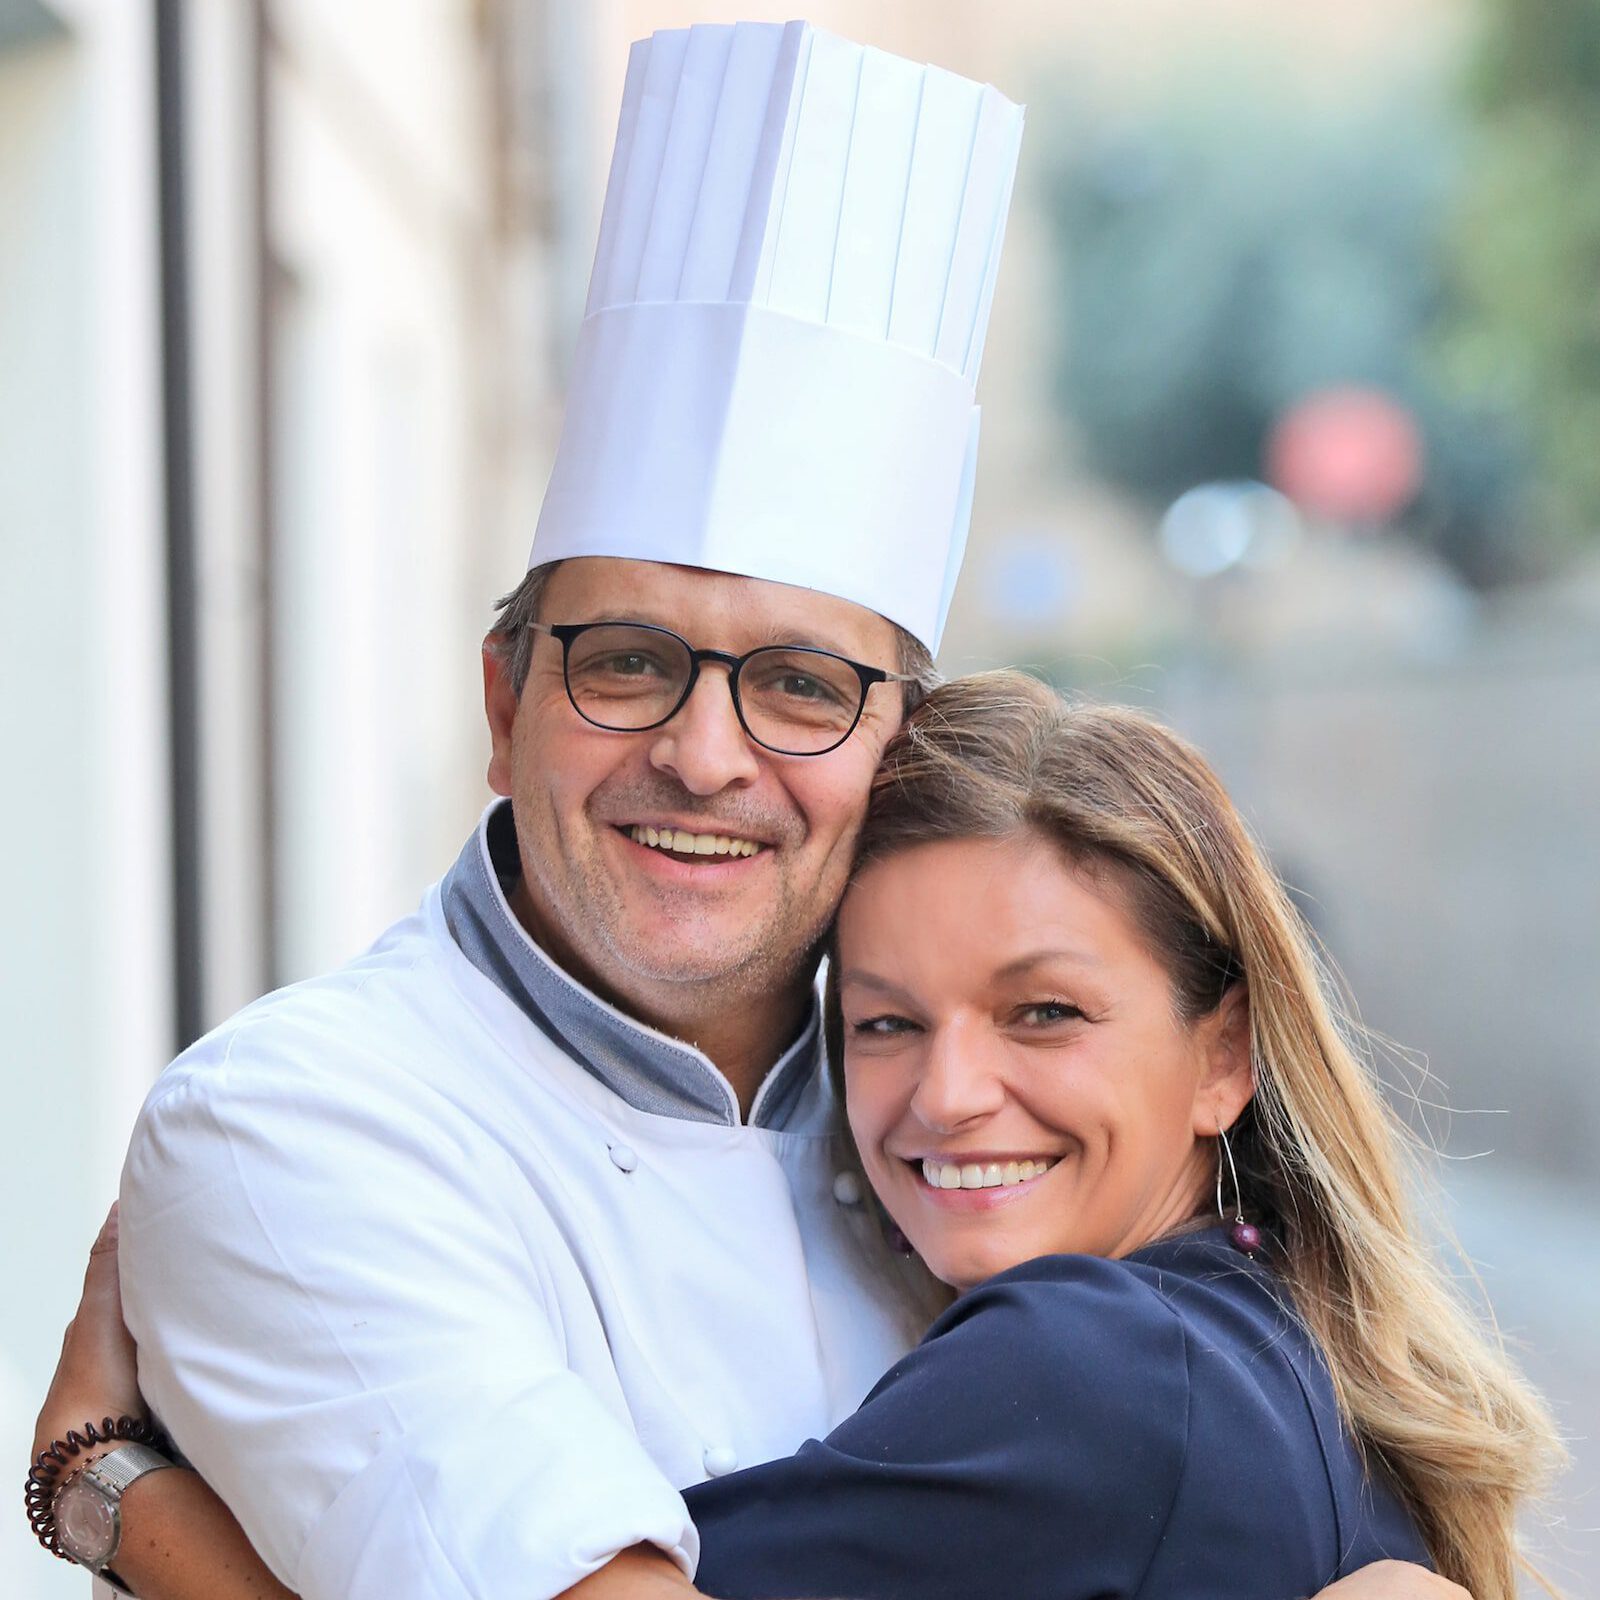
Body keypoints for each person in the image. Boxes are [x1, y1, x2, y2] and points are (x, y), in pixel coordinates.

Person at [26, 19, 1457, 1600]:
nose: (707, 757)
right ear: (503, 707)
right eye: (627, 663)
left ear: (889, 747)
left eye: (796, 684)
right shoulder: (299, 1128)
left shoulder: (989, 1210)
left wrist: (121, 1504)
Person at [34, 675, 1557, 1598]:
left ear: (1222, 1050)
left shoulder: (1085, 1366)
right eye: (886, 1022)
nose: (947, 1095)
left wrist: (118, 1502)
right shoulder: (1270, 1324)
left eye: (1041, 1015)